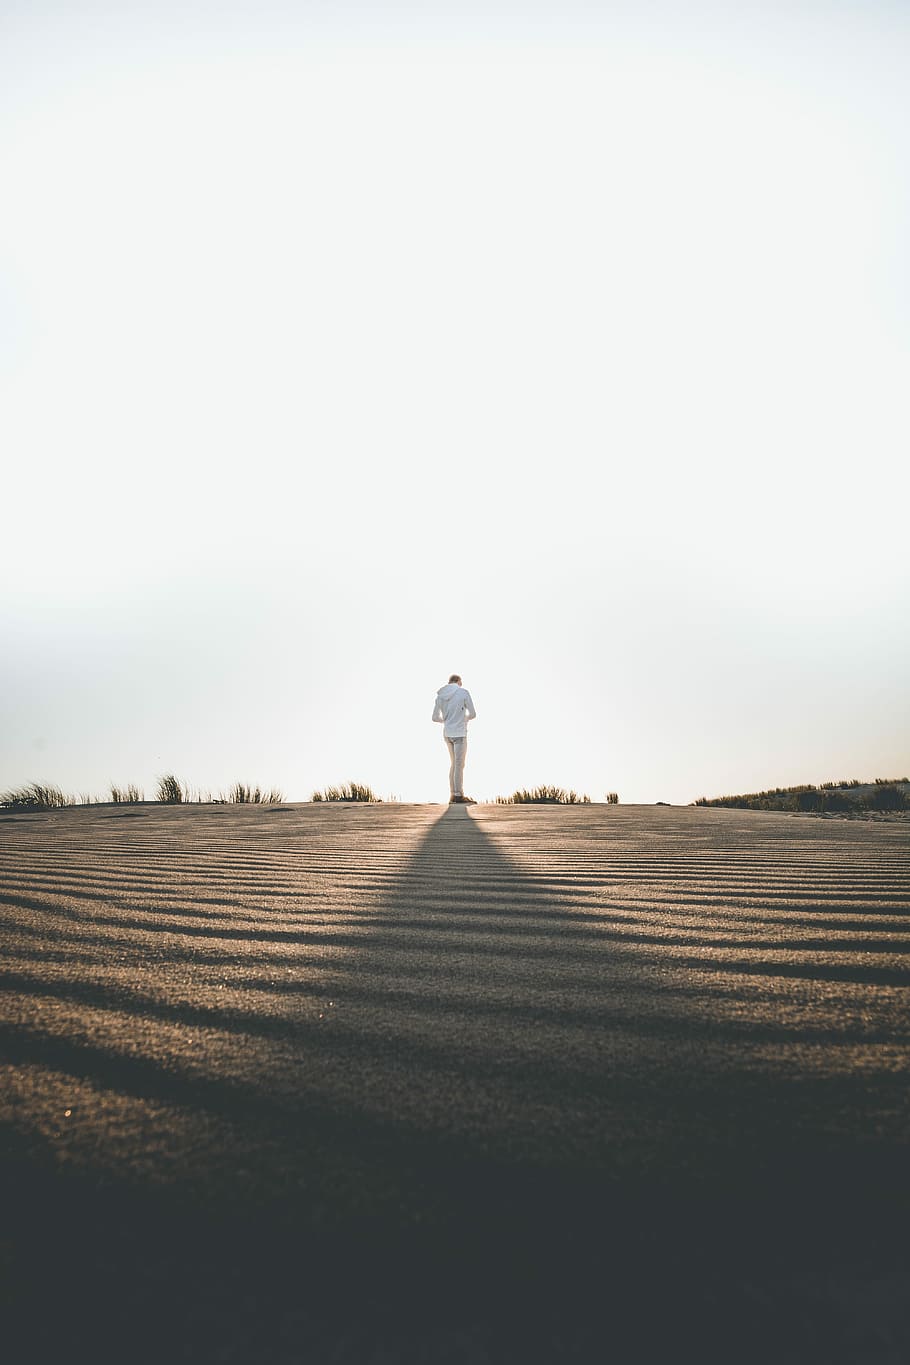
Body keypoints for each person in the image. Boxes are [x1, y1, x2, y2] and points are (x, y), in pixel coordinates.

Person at [432, 674, 476, 803]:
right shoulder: (463, 692)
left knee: (453, 764)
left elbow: (434, 718)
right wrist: (464, 719)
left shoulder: (440, 695)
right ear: (458, 681)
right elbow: (473, 714)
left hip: (447, 734)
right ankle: (458, 795)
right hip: (460, 734)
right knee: (459, 764)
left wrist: (446, 721)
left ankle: (453, 794)